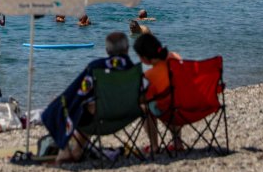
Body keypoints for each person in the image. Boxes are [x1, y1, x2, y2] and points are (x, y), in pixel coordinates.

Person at [41, 32, 134, 163]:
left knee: (68, 107)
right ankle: (78, 150)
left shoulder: (97, 67)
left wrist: (62, 101)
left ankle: (65, 152)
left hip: (101, 117)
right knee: (87, 107)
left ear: (107, 50)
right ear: (127, 48)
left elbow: (77, 91)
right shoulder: (132, 69)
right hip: (126, 115)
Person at [133, 33, 182, 154]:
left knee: (145, 107)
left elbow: (143, 98)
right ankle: (178, 142)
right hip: (188, 106)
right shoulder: (175, 57)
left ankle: (154, 146)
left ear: (144, 58)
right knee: (172, 99)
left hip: (171, 113)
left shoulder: (150, 75)